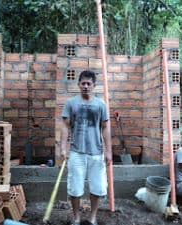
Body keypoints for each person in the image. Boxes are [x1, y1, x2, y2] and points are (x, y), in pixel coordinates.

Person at [60, 70, 112, 225]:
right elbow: (64, 126)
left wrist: (108, 151)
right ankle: (76, 217)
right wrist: (63, 148)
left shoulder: (101, 104)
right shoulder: (71, 103)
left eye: (89, 83)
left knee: (97, 187)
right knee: (75, 188)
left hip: (97, 153)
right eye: (83, 83)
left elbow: (105, 127)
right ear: (78, 84)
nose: (86, 86)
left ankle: (92, 217)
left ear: (94, 85)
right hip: (76, 152)